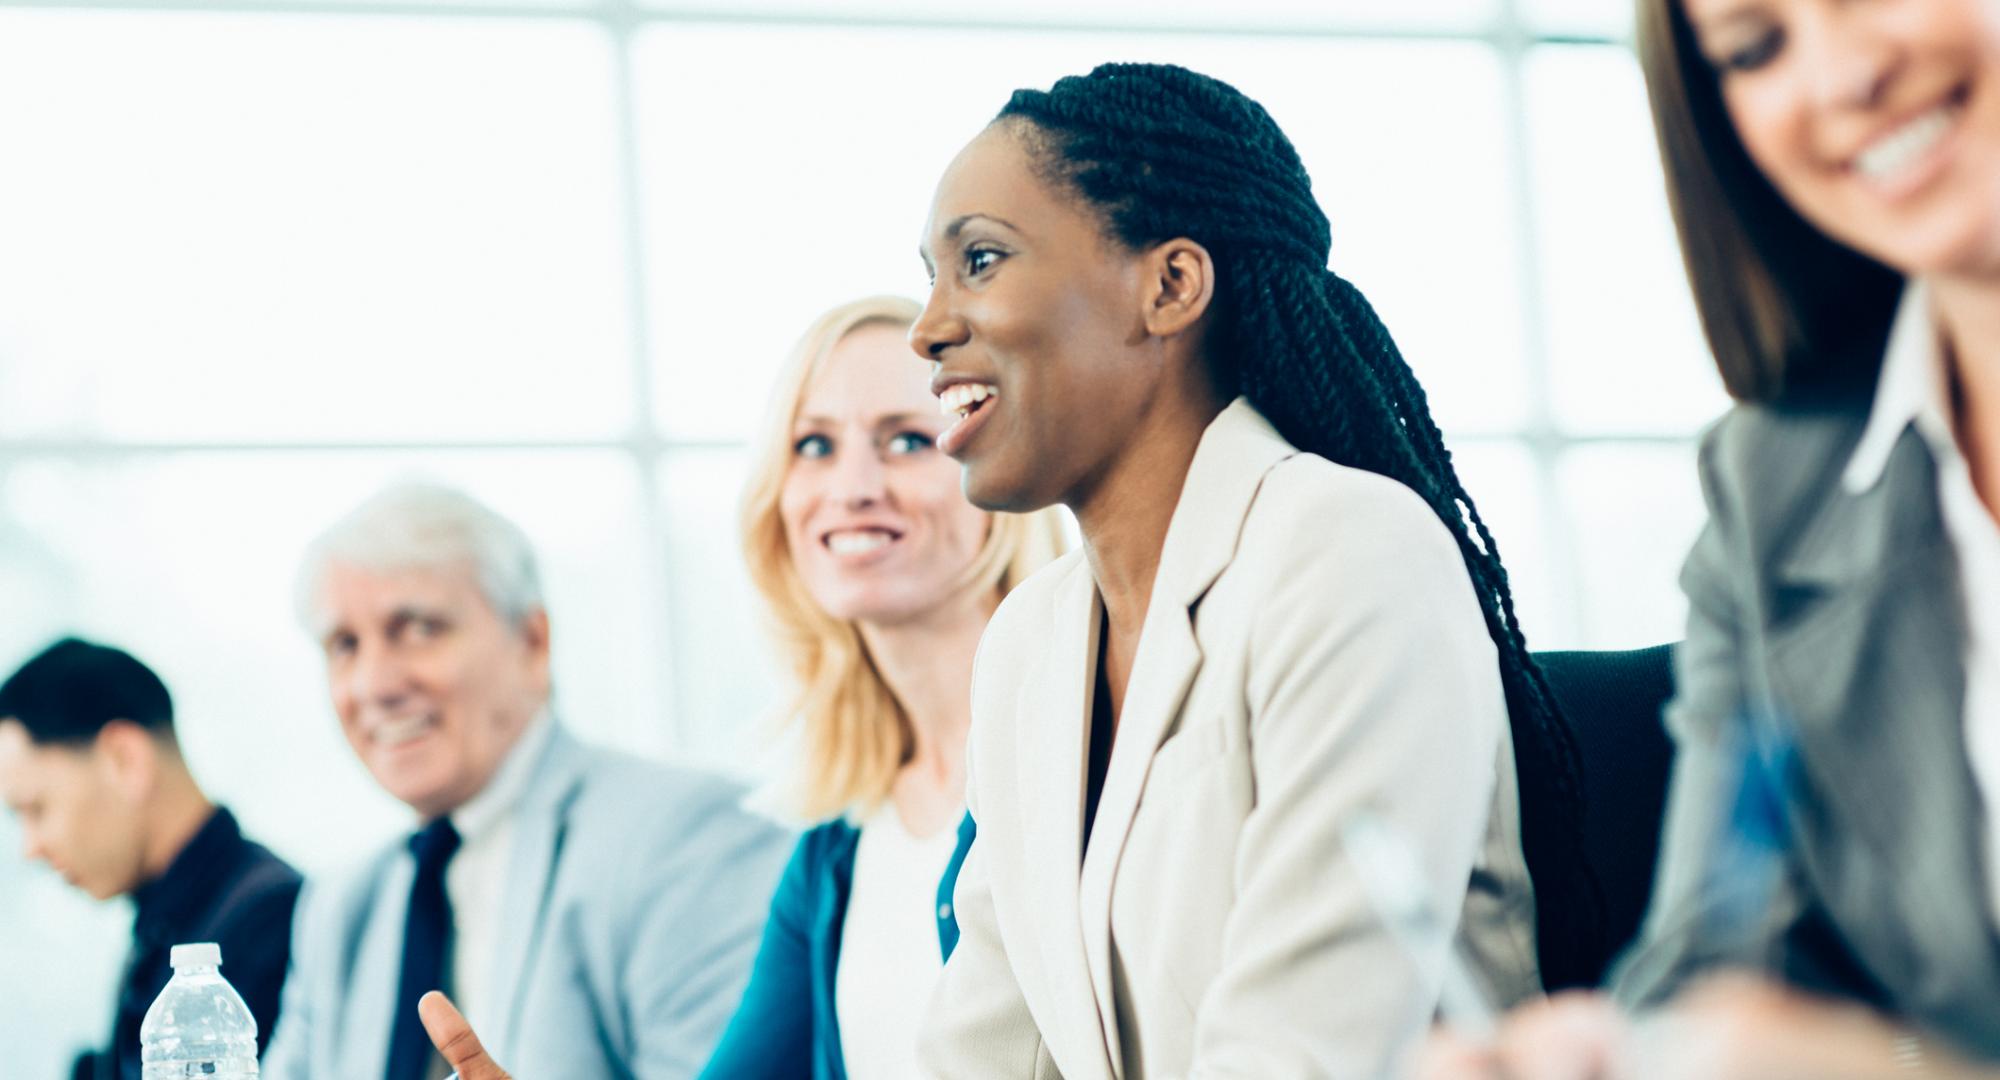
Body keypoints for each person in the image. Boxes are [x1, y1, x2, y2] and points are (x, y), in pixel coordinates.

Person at [901, 63, 1598, 1079]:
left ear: (1169, 285)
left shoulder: (1349, 554)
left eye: (979, 260)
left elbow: (1307, 1049)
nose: (927, 326)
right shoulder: (1031, 642)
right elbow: (984, 1046)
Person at [1414, 0, 2000, 1075]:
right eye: (1752, 46)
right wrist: (1617, 1055)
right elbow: (1724, 955)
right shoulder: (1773, 491)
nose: (1839, 78)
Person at [261, 483, 792, 1080]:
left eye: (416, 628)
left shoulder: (686, 838)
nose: (374, 684)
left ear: (532, 643)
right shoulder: (341, 905)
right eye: (344, 645)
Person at [695, 295, 1064, 1078]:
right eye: (813, 446)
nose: (853, 487)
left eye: (904, 440)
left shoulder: (1078, 754)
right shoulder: (835, 851)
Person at [0, 637, 301, 1080]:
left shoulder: (270, 926)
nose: (32, 847)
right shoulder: (172, 925)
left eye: (37, 809)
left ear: (125, 760)